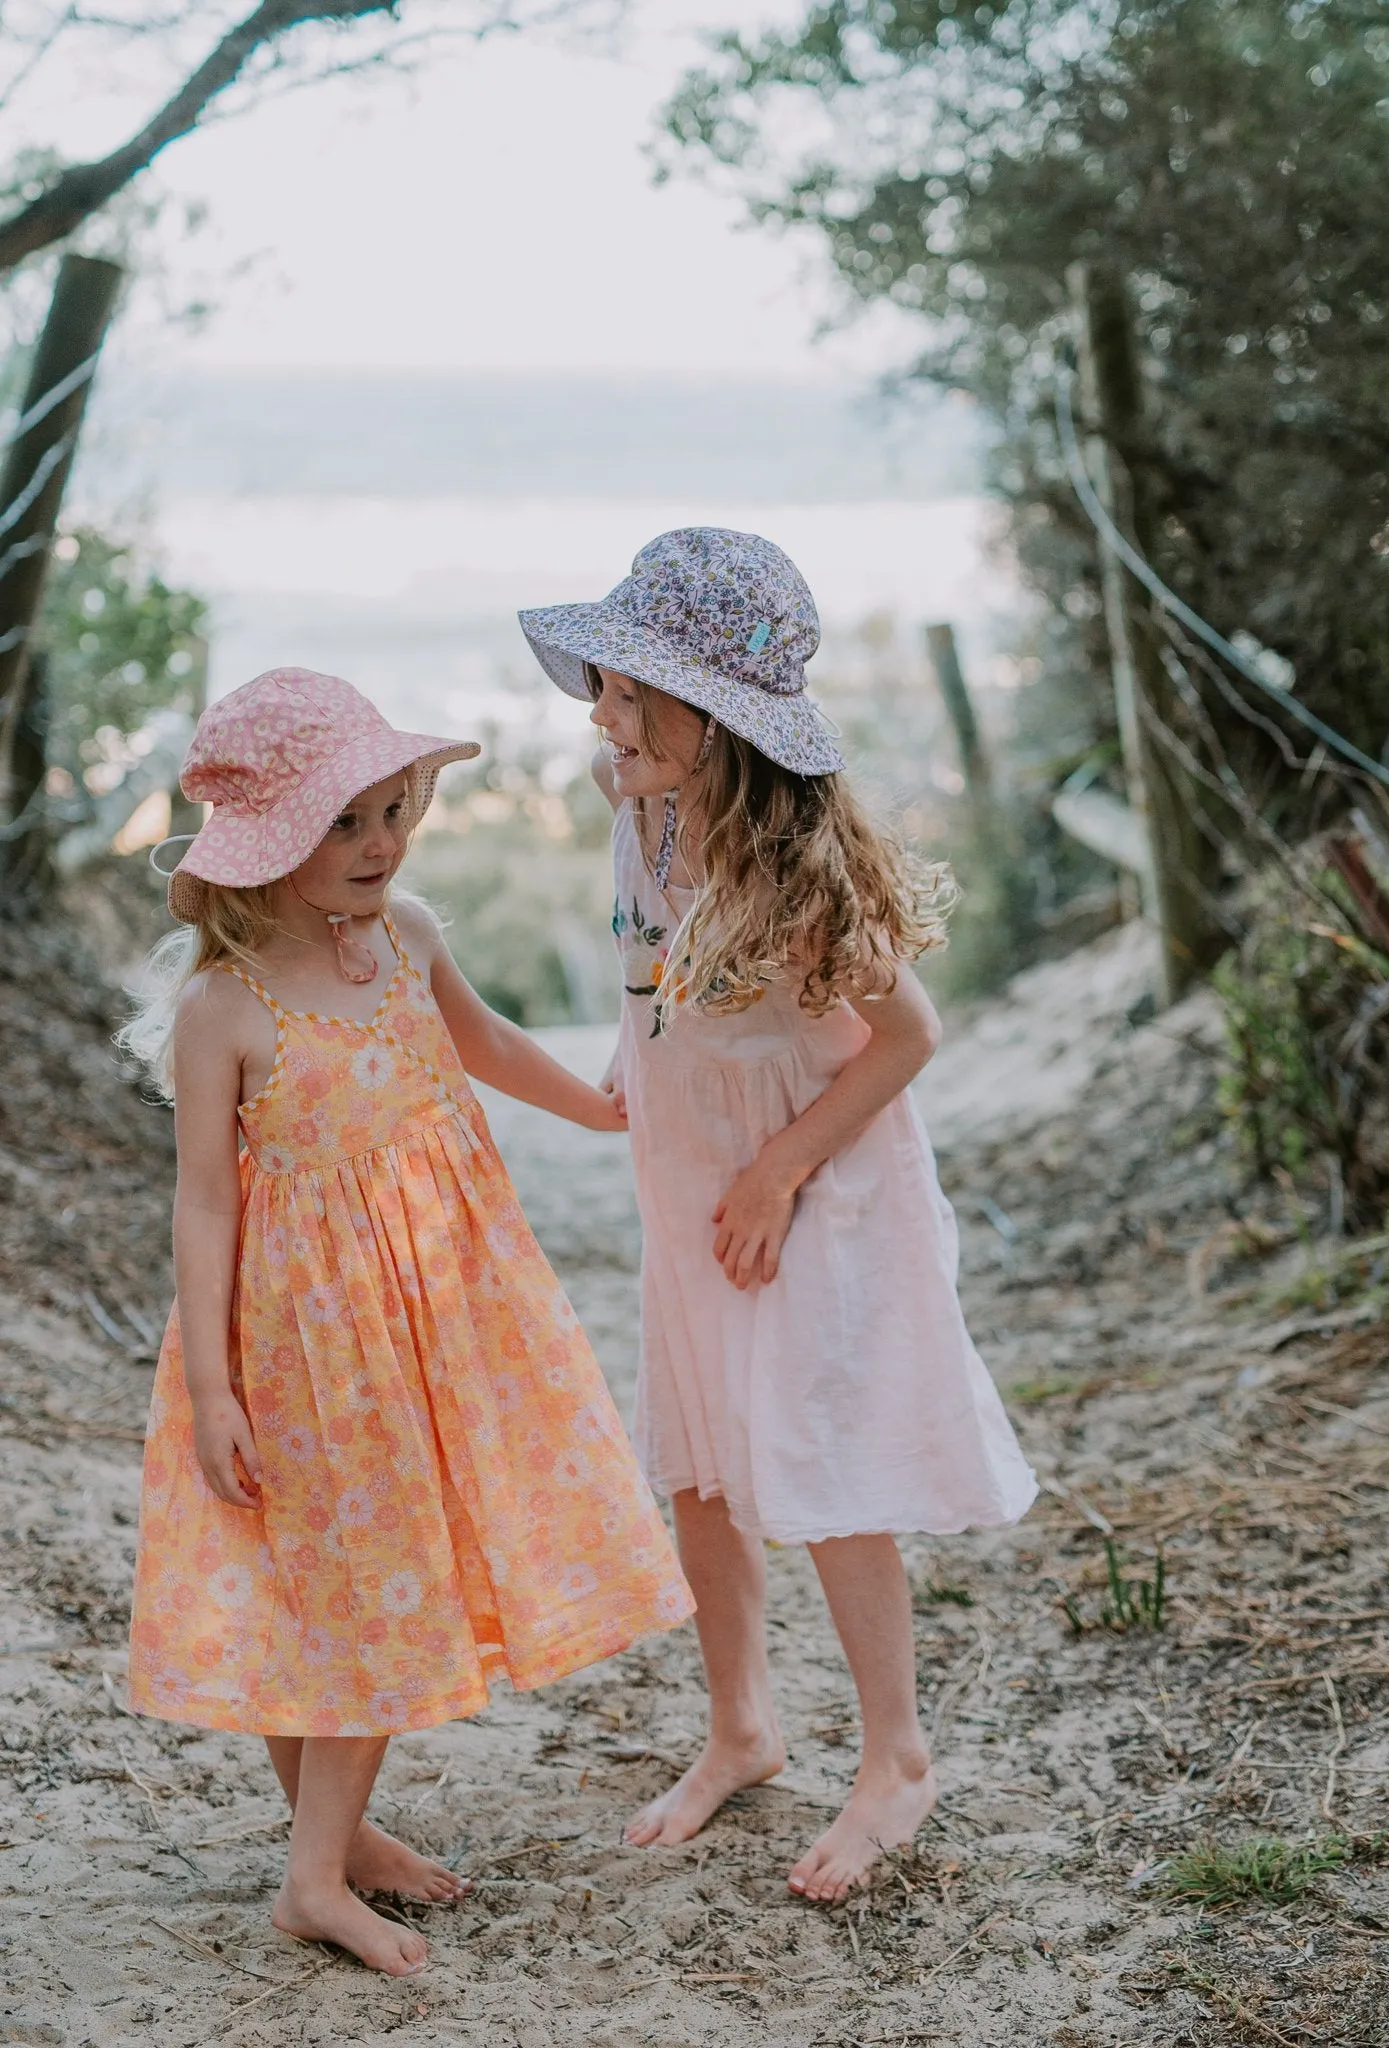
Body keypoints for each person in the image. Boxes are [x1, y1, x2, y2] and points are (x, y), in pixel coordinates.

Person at [122, 667, 693, 1977]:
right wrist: (214, 1390)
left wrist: (596, 1109)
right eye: (345, 824)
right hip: (307, 1355)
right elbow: (204, 1207)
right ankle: (313, 1876)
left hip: (436, 1321)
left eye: (392, 811)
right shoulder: (224, 1012)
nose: (380, 844)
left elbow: (483, 1044)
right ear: (265, 849)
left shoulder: (411, 937)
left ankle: (339, 1838)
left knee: (347, 1594)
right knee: (346, 1603)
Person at [518, 529, 1038, 1905]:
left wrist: (779, 1170)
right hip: (696, 1185)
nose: (601, 713)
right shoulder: (642, 805)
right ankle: (742, 1726)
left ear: (720, 721)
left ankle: (897, 1758)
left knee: (821, 1463)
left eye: (633, 693)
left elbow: (905, 1038)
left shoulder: (796, 876)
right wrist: (640, 1068)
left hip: (818, 1192)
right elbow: (651, 963)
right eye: (606, 683)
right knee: (699, 1465)